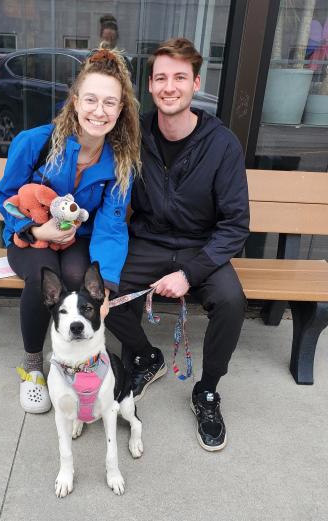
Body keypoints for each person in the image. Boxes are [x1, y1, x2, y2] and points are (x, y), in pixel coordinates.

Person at [105, 38, 249, 451]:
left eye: (180, 77)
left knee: (231, 300)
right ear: (150, 85)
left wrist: (190, 273)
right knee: (102, 291)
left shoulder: (222, 144)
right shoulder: (132, 134)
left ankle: (206, 390)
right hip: (147, 240)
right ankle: (145, 356)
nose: (170, 87)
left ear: (196, 84)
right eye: (161, 77)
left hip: (201, 247)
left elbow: (236, 224)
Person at [0, 46, 140, 414]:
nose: (99, 111)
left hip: (78, 239)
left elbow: (110, 227)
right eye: (91, 99)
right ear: (75, 101)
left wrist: (106, 285)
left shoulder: (120, 163)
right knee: (44, 277)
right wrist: (36, 231)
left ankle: (75, 359)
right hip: (30, 236)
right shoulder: (35, 142)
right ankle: (33, 366)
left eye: (110, 102)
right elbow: (6, 197)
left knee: (78, 274)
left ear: (120, 109)